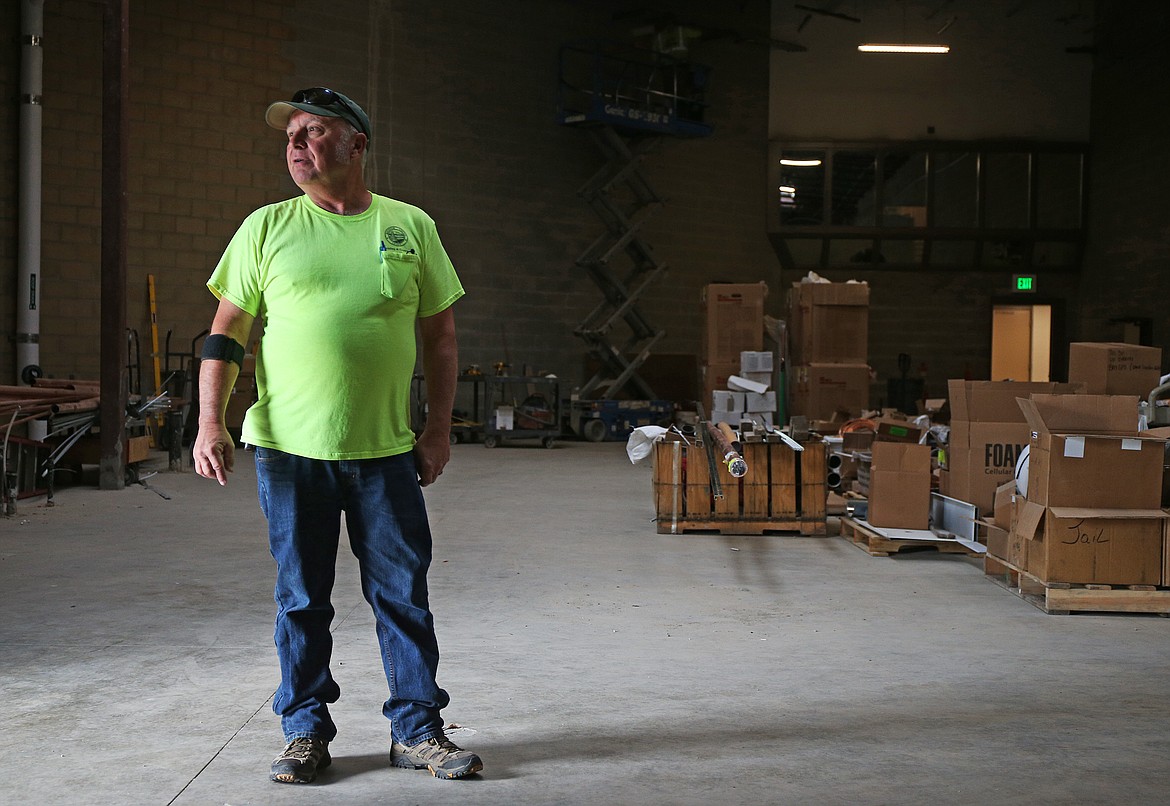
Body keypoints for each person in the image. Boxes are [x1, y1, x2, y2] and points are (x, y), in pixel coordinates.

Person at [192, 87, 481, 784]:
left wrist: (438, 429)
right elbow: (224, 332)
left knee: (402, 596)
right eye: (290, 135)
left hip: (386, 452)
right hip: (289, 454)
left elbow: (441, 338)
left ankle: (417, 732)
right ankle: (305, 733)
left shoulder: (410, 226)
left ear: (356, 143)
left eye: (313, 132)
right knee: (301, 599)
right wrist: (209, 419)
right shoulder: (266, 227)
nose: (296, 145)